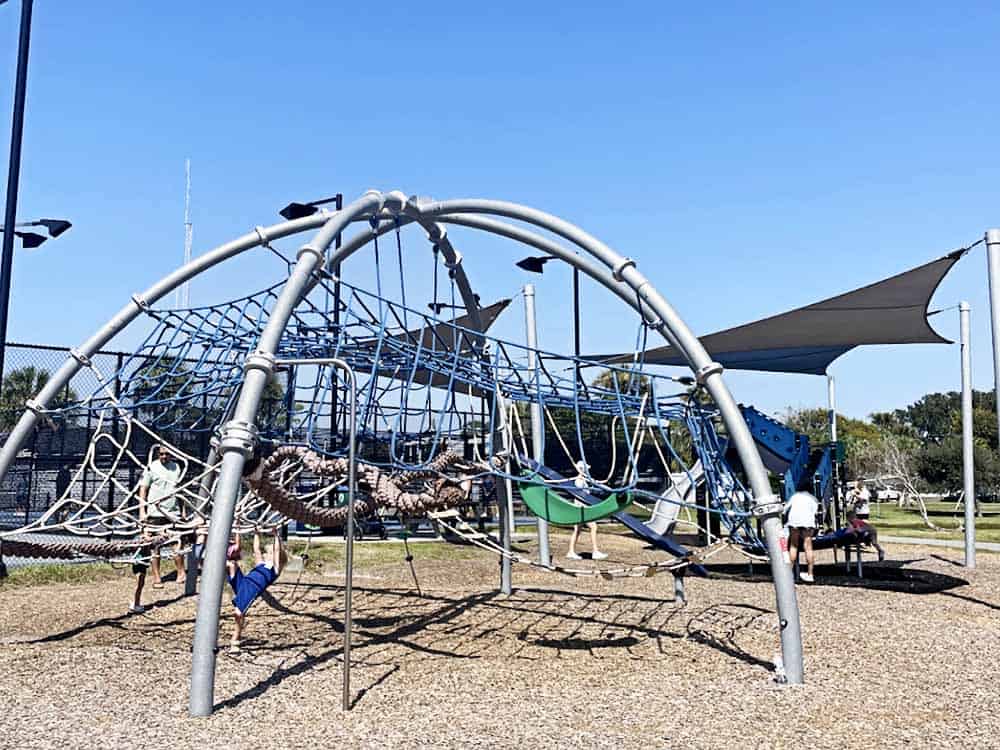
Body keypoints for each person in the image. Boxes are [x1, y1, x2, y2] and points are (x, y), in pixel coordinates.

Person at [227, 528, 288, 650]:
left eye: (269, 553)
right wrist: (256, 533)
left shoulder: (275, 570)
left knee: (238, 613)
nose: (266, 554)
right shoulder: (261, 564)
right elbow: (256, 549)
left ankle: (236, 638)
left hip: (252, 590)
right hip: (243, 582)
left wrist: (276, 535)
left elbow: (277, 550)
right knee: (231, 564)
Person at [138, 445, 185, 587]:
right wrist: (142, 510)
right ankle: (157, 577)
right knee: (155, 546)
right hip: (155, 512)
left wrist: (183, 510)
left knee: (177, 542)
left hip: (172, 513)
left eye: (167, 454)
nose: (164, 457)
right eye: (161, 454)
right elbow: (143, 489)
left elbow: (180, 490)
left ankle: (181, 573)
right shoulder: (152, 467)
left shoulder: (176, 467)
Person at [566, 461, 607, 561]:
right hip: (581, 508)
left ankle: (571, 551)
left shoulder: (584, 480)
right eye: (586, 469)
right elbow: (581, 494)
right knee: (593, 526)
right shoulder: (579, 480)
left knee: (577, 530)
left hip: (581, 508)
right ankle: (595, 551)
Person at [786, 490, 819, 583]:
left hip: (794, 521)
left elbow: (785, 509)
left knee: (793, 546)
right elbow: (816, 512)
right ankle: (810, 574)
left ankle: (788, 575)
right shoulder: (813, 498)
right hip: (807, 522)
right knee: (808, 548)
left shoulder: (794, 496)